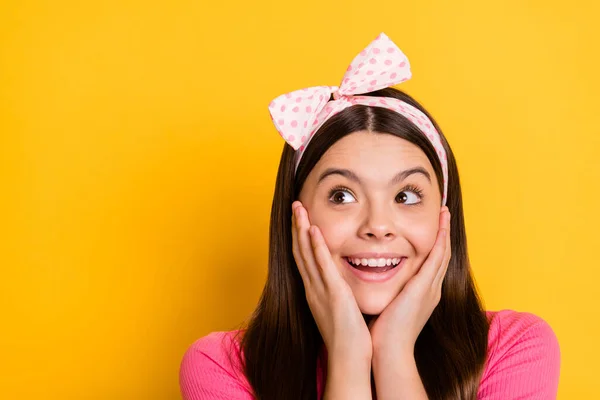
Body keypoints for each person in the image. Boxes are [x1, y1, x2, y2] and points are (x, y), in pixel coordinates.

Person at [179, 33, 561, 399]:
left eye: (406, 196)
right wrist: (348, 355)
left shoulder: (516, 348)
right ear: (295, 217)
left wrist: (393, 352)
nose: (378, 226)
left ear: (444, 215)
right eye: (342, 195)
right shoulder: (221, 366)